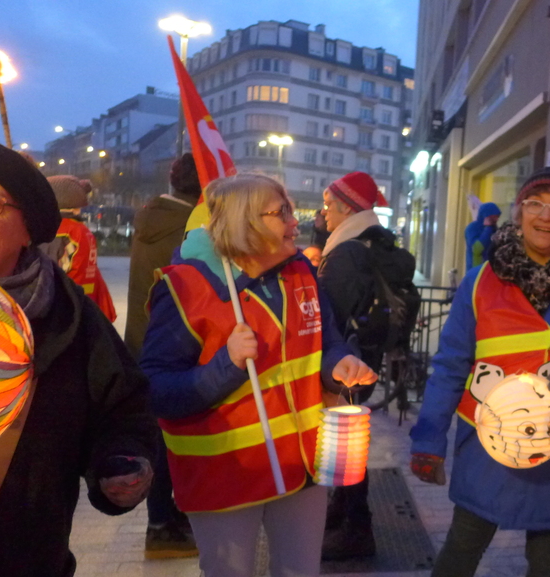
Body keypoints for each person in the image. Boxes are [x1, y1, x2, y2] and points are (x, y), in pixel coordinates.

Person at [0, 139, 157, 576]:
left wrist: (120, 462)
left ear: (28, 228)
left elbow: (124, 407)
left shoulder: (68, 318)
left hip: (29, 559)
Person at [139, 173, 376, 577]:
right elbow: (156, 391)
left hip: (302, 465)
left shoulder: (300, 270)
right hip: (226, 474)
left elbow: (327, 340)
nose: (295, 221)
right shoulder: (184, 288)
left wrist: (339, 365)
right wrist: (225, 365)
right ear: (243, 222)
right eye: (280, 212)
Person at [409, 167, 550, 577]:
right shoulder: (478, 282)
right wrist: (429, 438)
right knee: (461, 550)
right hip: (490, 442)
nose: (546, 215)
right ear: (518, 212)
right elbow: (450, 365)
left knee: (548, 563)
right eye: (535, 204)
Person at [316, 171, 400, 560]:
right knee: (350, 442)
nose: (324, 213)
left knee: (345, 443)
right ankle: (341, 513)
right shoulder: (374, 241)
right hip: (366, 355)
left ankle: (355, 528)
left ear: (347, 207)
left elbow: (329, 315)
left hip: (348, 362)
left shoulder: (347, 251)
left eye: (328, 205)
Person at [123, 153, 202, 559]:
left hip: (144, 339)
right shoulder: (188, 229)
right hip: (173, 345)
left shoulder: (153, 217)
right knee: (168, 440)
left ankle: (166, 520)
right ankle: (162, 527)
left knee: (161, 436)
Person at [44, 174, 117, 321]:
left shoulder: (58, 230)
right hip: (84, 303)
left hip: (63, 305)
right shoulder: (82, 230)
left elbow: (49, 269)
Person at [464, 201, 501, 269]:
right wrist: (488, 229)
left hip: (490, 269)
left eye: (497, 217)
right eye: (493, 217)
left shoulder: (494, 229)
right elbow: (477, 249)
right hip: (476, 269)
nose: (496, 219)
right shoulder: (472, 228)